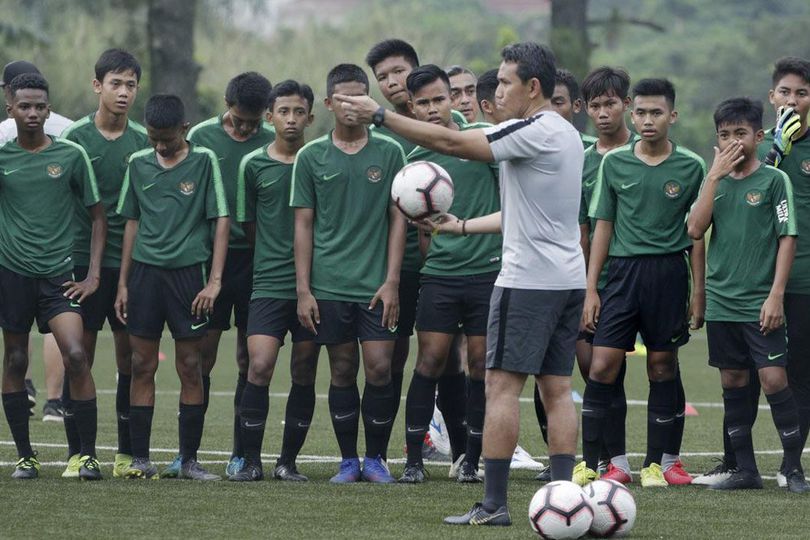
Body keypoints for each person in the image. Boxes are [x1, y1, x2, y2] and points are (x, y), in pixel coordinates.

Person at [335, 40, 584, 526]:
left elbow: (450, 142)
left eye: (507, 81)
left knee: (500, 387)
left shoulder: (529, 131)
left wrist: (379, 115)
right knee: (556, 388)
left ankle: (493, 504)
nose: (499, 88)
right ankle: (565, 501)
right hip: (566, 279)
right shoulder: (565, 133)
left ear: (533, 87)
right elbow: (523, 212)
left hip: (528, 282)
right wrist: (462, 226)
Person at [581, 78, 705, 488]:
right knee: (602, 366)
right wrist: (591, 287)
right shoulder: (614, 163)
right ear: (631, 113)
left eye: (657, 113)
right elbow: (603, 225)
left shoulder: (691, 165)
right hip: (620, 275)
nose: (648, 121)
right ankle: (611, 463)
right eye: (642, 113)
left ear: (673, 116)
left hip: (668, 274)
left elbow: (696, 234)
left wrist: (698, 291)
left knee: (661, 365)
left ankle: (659, 463)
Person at [291, 63, 407, 484]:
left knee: (379, 368)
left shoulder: (390, 152)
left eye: (361, 97)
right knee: (342, 370)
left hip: (377, 285)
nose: (353, 105)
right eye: (344, 97)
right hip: (330, 285)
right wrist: (304, 289)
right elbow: (303, 226)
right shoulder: (311, 156)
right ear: (328, 103)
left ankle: (375, 458)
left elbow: (399, 220)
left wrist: (392, 280)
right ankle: (347, 461)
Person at [687, 97, 809, 493]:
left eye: (741, 134)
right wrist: (713, 176)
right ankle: (745, 470)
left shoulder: (775, 181)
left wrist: (775, 296)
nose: (733, 142)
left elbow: (787, 239)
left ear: (759, 136)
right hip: (723, 303)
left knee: (774, 379)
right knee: (734, 380)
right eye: (724, 136)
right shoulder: (716, 182)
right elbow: (694, 230)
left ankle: (792, 469)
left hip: (760, 302)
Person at [115, 94, 229, 481]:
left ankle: (189, 461)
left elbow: (221, 221)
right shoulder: (138, 163)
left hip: (188, 277)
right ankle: (141, 460)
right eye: (153, 138)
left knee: (190, 366)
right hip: (146, 276)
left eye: (167, 139)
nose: (160, 146)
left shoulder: (204, 161)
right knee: (141, 365)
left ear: (184, 129)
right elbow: (130, 222)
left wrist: (214, 282)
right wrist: (123, 284)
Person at [167, 72, 275, 479]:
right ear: (226, 105)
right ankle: (186, 454)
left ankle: (241, 453)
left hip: (258, 262)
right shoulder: (203, 138)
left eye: (253, 122)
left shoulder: (274, 138)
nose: (246, 128)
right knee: (201, 355)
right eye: (238, 120)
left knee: (250, 357)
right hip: (209, 261)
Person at [397, 65, 500, 484]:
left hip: (487, 270)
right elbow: (417, 227)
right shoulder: (412, 160)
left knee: (480, 364)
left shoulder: (482, 142)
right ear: (412, 108)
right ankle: (413, 462)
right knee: (430, 361)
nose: (433, 108)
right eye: (423, 103)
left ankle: (471, 460)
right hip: (440, 273)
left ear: (454, 99)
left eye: (440, 98)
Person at [0, 72, 105, 480]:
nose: (32, 113)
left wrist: (93, 275)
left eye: (39, 106)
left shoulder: (70, 156)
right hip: (12, 277)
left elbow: (99, 217)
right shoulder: (3, 158)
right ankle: (26, 456)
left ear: (49, 109)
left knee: (76, 355)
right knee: (15, 359)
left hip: (60, 278)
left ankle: (86, 456)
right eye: (24, 106)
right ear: (10, 109)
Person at [58, 48, 148, 479]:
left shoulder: (144, 140)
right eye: (116, 83)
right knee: (80, 358)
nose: (124, 92)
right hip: (79, 261)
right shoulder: (74, 138)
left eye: (131, 84)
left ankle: (126, 455)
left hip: (129, 266)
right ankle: (80, 453)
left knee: (130, 360)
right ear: (98, 86)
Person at [229, 80, 320, 482]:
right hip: (267, 283)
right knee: (259, 364)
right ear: (270, 116)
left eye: (299, 112)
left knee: (303, 369)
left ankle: (288, 461)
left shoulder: (319, 160)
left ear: (311, 118)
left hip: (317, 288)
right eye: (283, 111)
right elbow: (247, 225)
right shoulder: (253, 164)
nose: (291, 119)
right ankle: (250, 461)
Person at [0, 61, 72, 419]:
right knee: (55, 332)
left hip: (14, 254)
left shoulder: (3, 130)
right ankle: (55, 400)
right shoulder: (71, 129)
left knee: (16, 333)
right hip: (60, 254)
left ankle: (25, 383)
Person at [758, 56, 810, 489]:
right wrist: (777, 148)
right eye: (785, 92)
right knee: (741, 372)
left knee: (799, 372)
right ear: (771, 97)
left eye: (802, 92)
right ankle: (737, 463)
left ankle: (791, 465)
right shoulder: (755, 145)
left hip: (805, 280)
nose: (792, 100)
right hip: (754, 281)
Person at [550, 68, 597, 148]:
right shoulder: (528, 149)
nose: (550, 110)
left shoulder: (594, 149)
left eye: (558, 103)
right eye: (543, 104)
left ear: (576, 105)